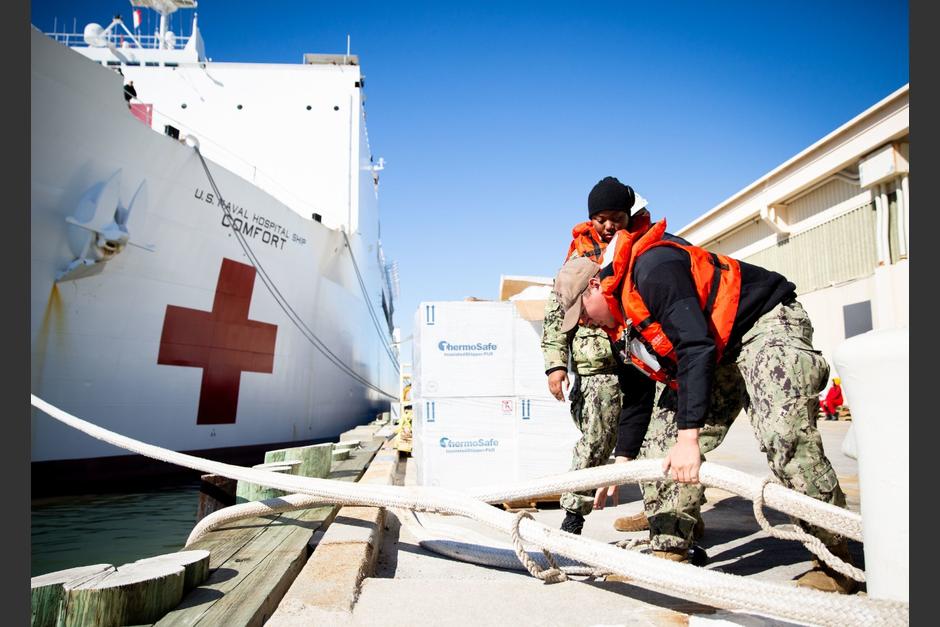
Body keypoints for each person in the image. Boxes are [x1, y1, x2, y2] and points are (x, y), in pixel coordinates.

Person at [551, 180, 857, 593]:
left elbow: (694, 346)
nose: (583, 324)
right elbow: (640, 391)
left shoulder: (652, 270)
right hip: (717, 348)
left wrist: (691, 437)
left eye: (581, 315)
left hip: (762, 324)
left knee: (784, 438)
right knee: (660, 446)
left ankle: (837, 561)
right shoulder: (621, 321)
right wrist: (623, 459)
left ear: (594, 287)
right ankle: (670, 549)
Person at [541, 177, 650, 536]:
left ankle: (666, 518)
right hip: (597, 371)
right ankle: (573, 520)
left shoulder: (643, 248)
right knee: (594, 445)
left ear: (628, 215)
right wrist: (556, 366)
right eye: (600, 218)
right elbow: (556, 316)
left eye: (615, 217)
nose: (607, 225)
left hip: (641, 363)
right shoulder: (576, 258)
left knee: (655, 445)